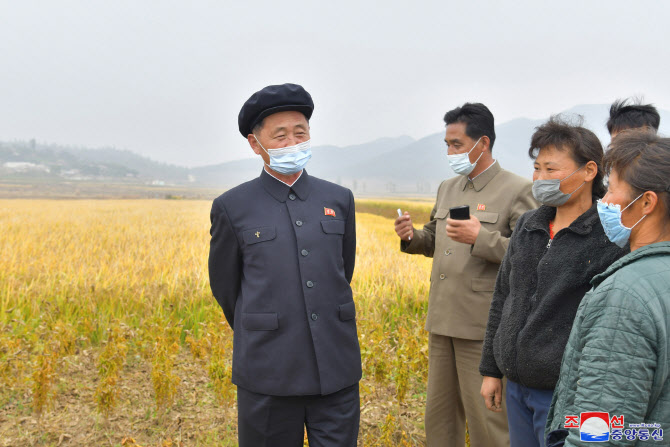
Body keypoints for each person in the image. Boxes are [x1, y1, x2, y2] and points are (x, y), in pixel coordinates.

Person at [208, 83, 361, 447]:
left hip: (335, 368)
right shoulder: (233, 206)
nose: (294, 142)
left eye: (301, 132)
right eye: (280, 135)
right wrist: (265, 323)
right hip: (268, 373)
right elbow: (227, 289)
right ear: (254, 143)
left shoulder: (338, 199)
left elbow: (342, 270)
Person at [394, 102, 537, 447]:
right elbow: (434, 238)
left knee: (488, 420)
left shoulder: (516, 190)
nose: (450, 151)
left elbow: (531, 256)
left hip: (481, 327)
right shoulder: (448, 188)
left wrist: (481, 238)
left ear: (483, 143)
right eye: (447, 144)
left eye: (456, 144)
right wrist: (412, 237)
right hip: (442, 321)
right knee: (439, 418)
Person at [479, 117, 627, 447]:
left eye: (551, 169)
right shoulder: (530, 225)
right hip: (517, 388)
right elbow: (503, 297)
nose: (540, 178)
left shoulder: (608, 237)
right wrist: (491, 369)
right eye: (537, 168)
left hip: (566, 395)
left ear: (590, 171)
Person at [545, 131, 670, 447]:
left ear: (646, 203)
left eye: (612, 189)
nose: (604, 201)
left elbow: (602, 435)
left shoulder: (624, 296)